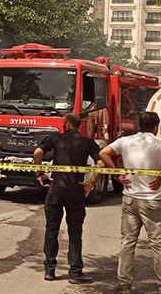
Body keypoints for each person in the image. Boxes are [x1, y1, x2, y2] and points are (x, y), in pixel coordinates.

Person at [99, 111, 161, 294]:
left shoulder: (126, 141)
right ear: (156, 127)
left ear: (139, 125)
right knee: (158, 245)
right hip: (153, 200)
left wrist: (117, 173)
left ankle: (124, 285)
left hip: (130, 197)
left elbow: (104, 153)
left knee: (127, 242)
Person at [34, 113, 100, 284]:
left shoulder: (56, 138)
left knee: (51, 230)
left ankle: (49, 271)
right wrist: (90, 183)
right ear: (78, 126)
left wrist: (40, 173)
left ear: (68, 124)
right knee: (75, 233)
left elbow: (38, 152)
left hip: (56, 191)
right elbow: (100, 164)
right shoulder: (88, 143)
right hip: (76, 192)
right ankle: (75, 273)